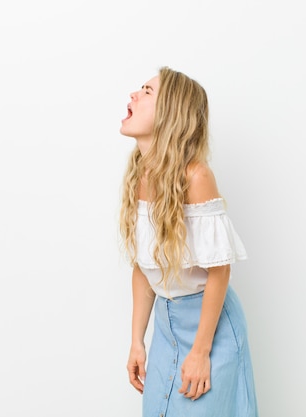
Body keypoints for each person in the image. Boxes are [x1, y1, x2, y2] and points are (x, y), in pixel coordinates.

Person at [119, 66, 258, 417]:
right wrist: (137, 341)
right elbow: (144, 267)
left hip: (209, 329)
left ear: (170, 112)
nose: (134, 95)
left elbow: (219, 272)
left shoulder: (196, 177)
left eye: (147, 92)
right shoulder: (140, 175)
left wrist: (201, 351)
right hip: (166, 331)